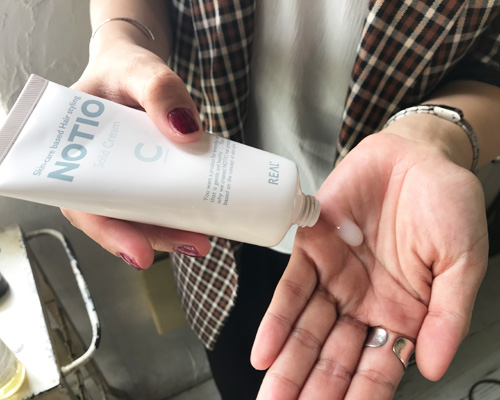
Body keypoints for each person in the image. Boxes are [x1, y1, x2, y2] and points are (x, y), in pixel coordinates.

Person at [66, 1, 500, 399]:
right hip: (217, 237)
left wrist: (433, 137)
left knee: (352, 373)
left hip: (390, 243)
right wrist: (119, 41)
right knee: (241, 375)